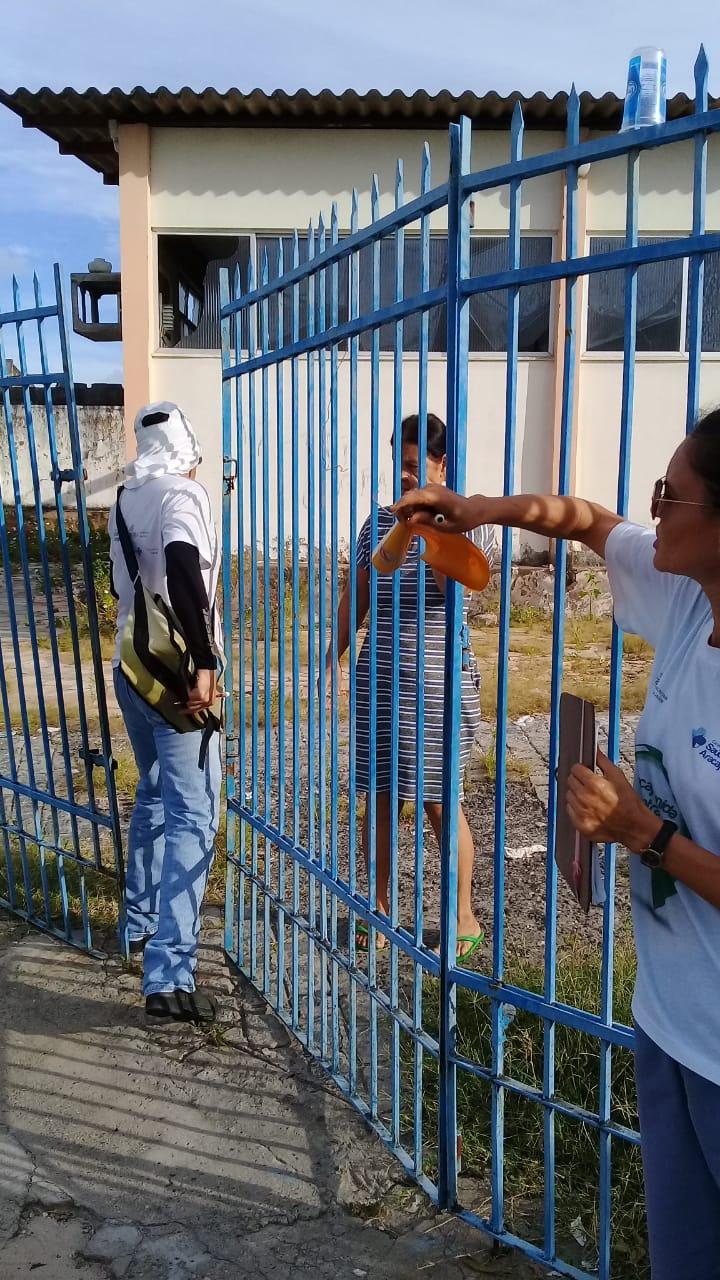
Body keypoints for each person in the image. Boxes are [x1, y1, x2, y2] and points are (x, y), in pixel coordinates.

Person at [394, 407, 720, 1280]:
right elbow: (583, 519)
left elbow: (657, 837)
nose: (654, 510)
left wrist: (644, 834)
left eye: (673, 495)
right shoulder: (688, 599)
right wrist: (481, 510)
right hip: (669, 1022)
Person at [326, 413, 494, 959]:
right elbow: (358, 593)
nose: (404, 476)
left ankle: (462, 916)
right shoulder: (377, 523)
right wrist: (332, 655)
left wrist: (427, 524)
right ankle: (379, 909)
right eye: (399, 464)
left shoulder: (463, 522)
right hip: (380, 679)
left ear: (442, 465)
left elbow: (456, 587)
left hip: (437, 684)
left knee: (439, 802)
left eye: (414, 465)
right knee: (379, 797)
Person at [108, 402, 222, 1025]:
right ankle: (169, 974)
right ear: (188, 448)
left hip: (131, 667)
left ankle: (139, 923)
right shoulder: (184, 495)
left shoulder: (125, 498)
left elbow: (120, 585)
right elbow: (182, 566)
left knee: (153, 794)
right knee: (194, 816)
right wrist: (205, 660)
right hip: (175, 680)